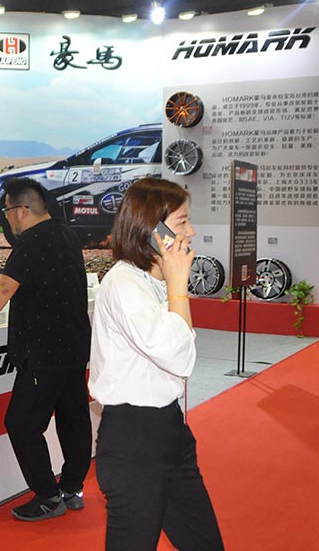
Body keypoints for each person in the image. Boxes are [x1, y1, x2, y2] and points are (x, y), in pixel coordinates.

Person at [0, 177, 91, 522]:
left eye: (7, 211)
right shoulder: (67, 234)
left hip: (44, 350)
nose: (6, 219)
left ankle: (47, 496)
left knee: (21, 422)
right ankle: (72, 488)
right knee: (73, 419)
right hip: (73, 346)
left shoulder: (33, 240)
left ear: (22, 210)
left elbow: (5, 285)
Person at [89, 177, 223, 551]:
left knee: (204, 542)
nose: (191, 232)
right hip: (134, 437)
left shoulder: (154, 281)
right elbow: (179, 356)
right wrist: (179, 285)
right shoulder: (123, 284)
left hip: (168, 427)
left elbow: (182, 351)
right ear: (153, 230)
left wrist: (173, 282)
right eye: (182, 222)